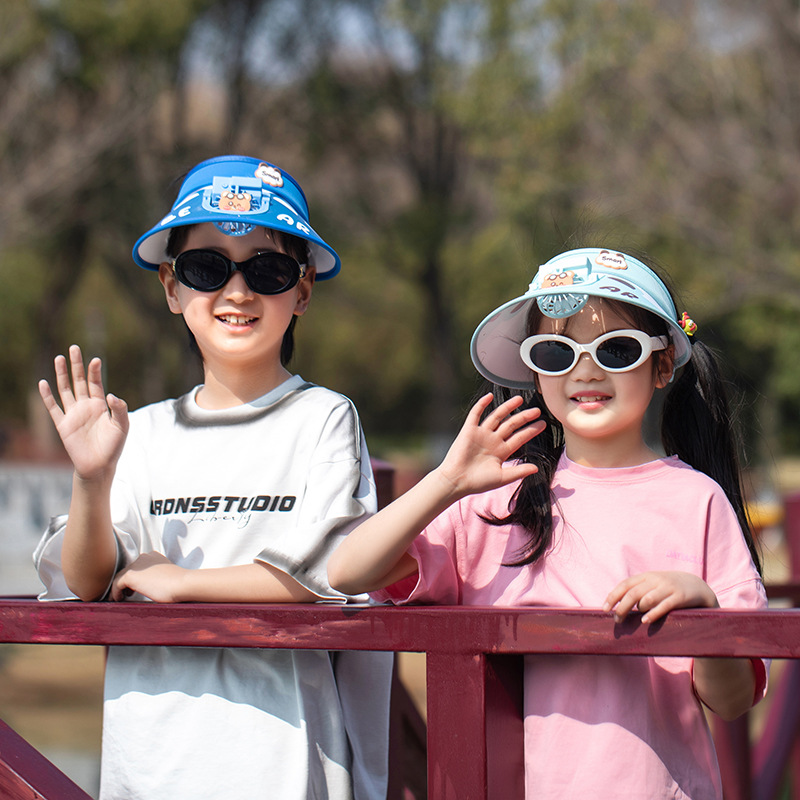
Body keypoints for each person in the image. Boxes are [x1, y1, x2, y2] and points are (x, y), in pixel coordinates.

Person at [328, 246, 768, 799]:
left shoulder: (697, 501)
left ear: (662, 365)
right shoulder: (498, 501)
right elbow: (346, 572)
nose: (585, 370)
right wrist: (446, 483)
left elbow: (731, 701)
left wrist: (702, 608)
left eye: (616, 349)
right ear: (535, 372)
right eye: (557, 353)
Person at [34, 155, 392, 800]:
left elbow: (330, 570)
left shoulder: (323, 417)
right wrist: (91, 479)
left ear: (302, 290)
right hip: (148, 763)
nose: (236, 292)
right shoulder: (137, 432)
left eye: (268, 269)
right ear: (171, 288)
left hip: (283, 763)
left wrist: (182, 584)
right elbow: (88, 581)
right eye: (206, 268)